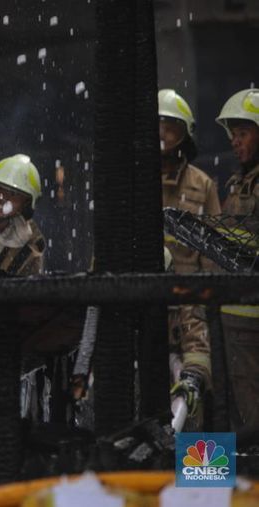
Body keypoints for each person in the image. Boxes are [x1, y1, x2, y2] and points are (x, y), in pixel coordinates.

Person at [156, 89, 220, 428]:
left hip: (191, 310)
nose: (162, 134)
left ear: (185, 135)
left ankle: (201, 467)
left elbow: (215, 256)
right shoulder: (132, 183)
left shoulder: (202, 185)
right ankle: (149, 463)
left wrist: (212, 307)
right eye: (157, 126)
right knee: (141, 406)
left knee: (195, 401)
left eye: (171, 127)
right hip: (143, 307)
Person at [216, 88, 259, 444]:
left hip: (250, 318)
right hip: (229, 316)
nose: (234, 141)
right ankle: (211, 480)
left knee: (250, 418)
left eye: (243, 133)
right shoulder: (237, 184)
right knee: (230, 412)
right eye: (232, 134)